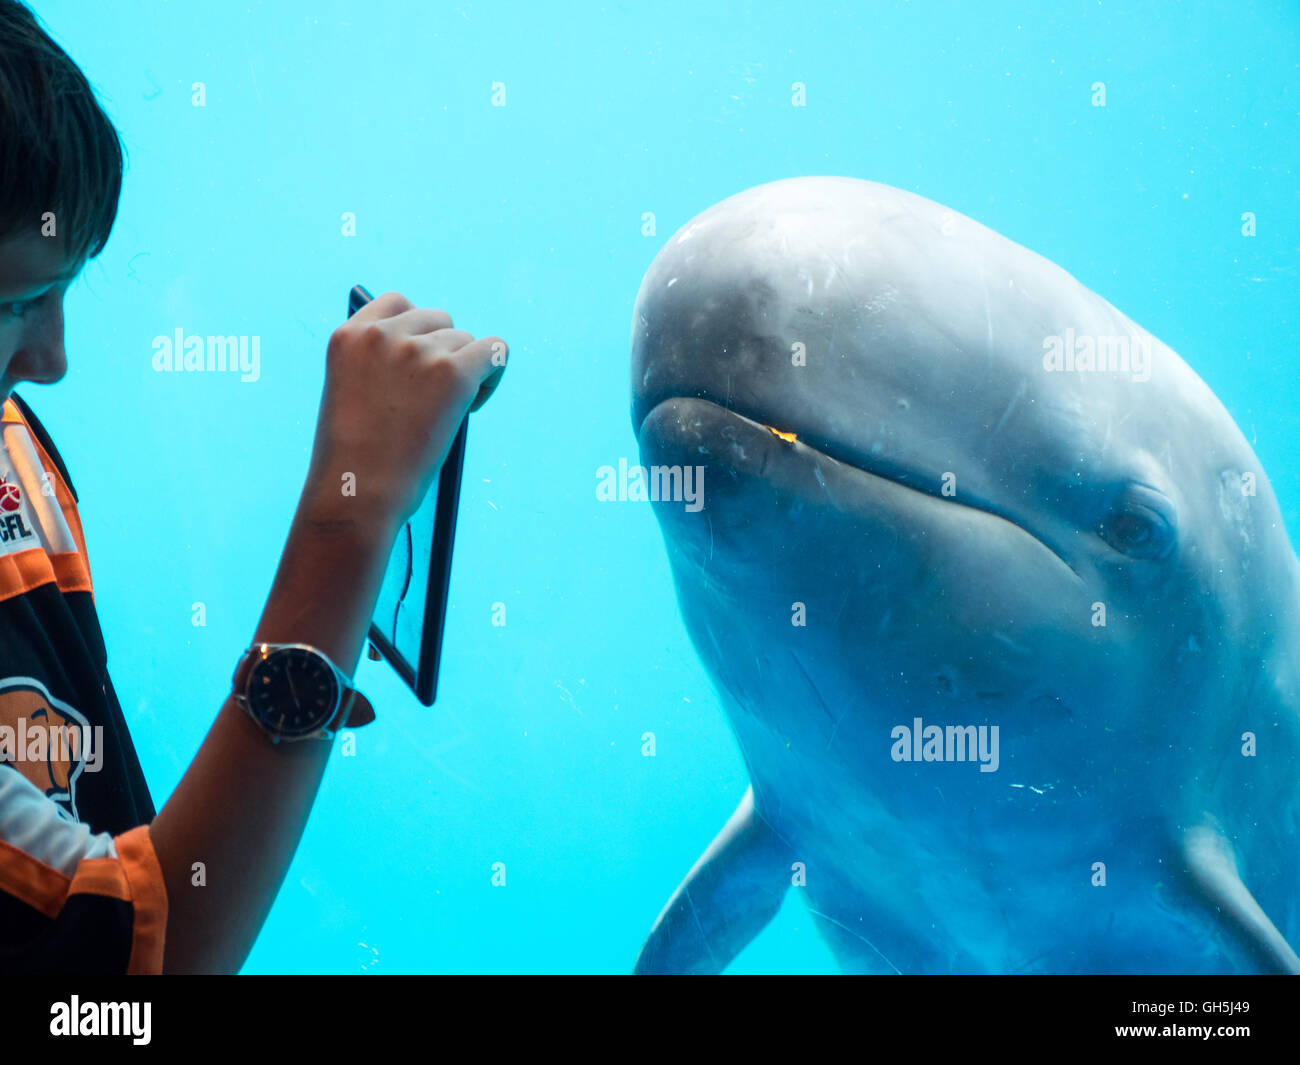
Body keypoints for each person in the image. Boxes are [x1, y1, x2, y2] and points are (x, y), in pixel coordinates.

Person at [0, 0, 507, 973]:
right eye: (17, 301)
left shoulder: (12, 442)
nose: (54, 358)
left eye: (65, 291)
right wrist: (346, 521)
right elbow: (137, 972)